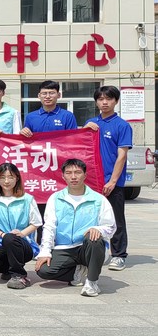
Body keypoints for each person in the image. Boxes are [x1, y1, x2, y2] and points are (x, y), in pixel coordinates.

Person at [35, 158, 115, 297]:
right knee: (43, 271)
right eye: (69, 173)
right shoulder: (55, 198)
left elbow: (110, 226)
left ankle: (92, 282)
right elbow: (49, 226)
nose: (73, 177)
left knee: (94, 237)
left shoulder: (98, 199)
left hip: (88, 247)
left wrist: (99, 229)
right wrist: (45, 251)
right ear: (63, 176)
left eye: (78, 172)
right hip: (64, 248)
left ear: (85, 175)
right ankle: (77, 271)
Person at [20, 80, 79, 239]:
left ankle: (61, 240)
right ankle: (41, 242)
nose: (48, 96)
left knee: (60, 206)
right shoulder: (31, 117)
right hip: (38, 170)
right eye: (44, 93)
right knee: (39, 208)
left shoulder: (67, 116)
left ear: (58, 95)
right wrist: (23, 133)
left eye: (51, 93)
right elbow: (26, 144)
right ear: (39, 96)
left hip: (59, 170)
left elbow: (73, 142)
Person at [83, 85, 132, 272]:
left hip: (112, 182)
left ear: (116, 101)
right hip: (92, 181)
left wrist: (112, 181)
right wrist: (84, 130)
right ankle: (97, 251)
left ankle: (119, 255)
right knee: (92, 218)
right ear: (96, 102)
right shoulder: (91, 123)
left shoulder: (122, 125)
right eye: (101, 99)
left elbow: (122, 156)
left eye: (109, 99)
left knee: (115, 219)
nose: (104, 102)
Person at [0, 163, 42, 289]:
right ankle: (8, 270)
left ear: (17, 178)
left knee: (10, 238)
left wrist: (22, 233)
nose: (6, 181)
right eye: (2, 177)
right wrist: (2, 234)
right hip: (1, 241)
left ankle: (20, 275)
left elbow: (36, 222)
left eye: (10, 177)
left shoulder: (27, 199)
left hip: (23, 243)